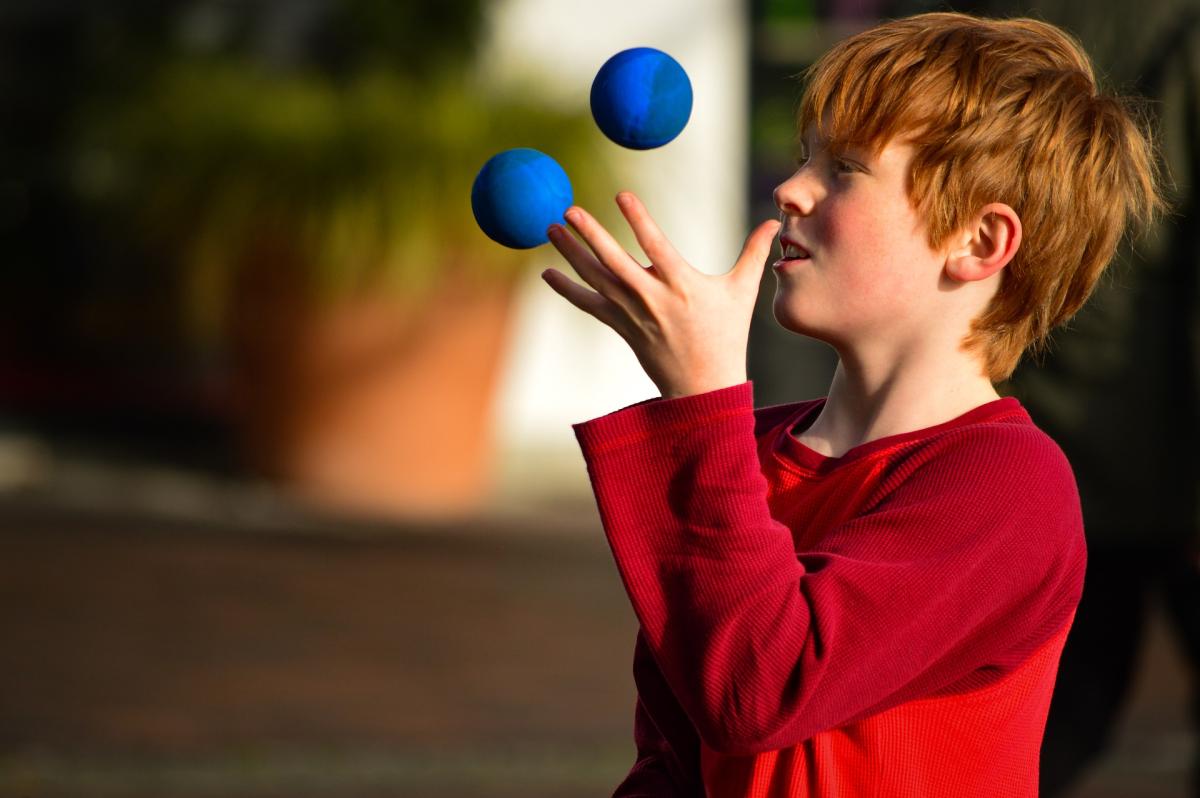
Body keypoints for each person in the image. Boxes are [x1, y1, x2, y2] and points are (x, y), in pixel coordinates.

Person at [539, 12, 1163, 797]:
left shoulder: (1012, 485)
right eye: (806, 156)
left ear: (977, 243)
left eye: (846, 169)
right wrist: (710, 423)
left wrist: (701, 402)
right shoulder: (745, 456)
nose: (790, 187)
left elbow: (763, 689)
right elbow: (673, 753)